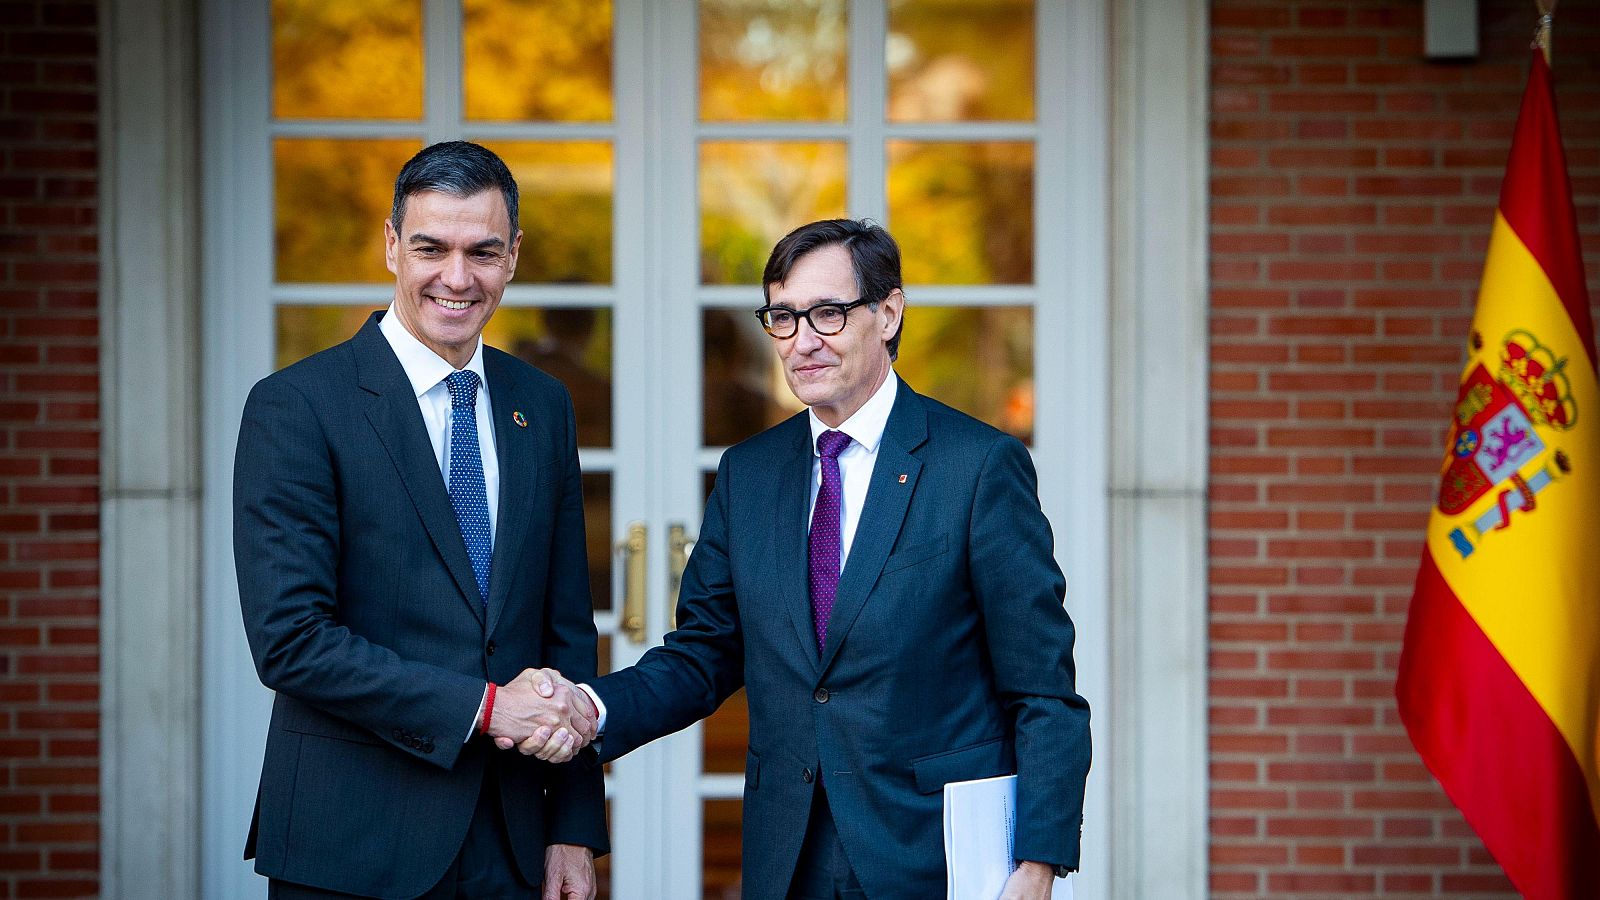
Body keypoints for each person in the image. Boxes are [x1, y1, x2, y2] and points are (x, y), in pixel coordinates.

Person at [525, 219, 1092, 899]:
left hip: (932, 859)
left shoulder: (977, 467)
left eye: (827, 312)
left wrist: (1037, 861)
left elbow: (1043, 690)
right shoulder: (749, 473)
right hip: (786, 858)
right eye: (783, 317)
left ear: (888, 313)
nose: (803, 341)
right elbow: (704, 653)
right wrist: (589, 707)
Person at [234, 141, 606, 899]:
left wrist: (573, 824)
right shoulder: (298, 406)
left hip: (511, 841)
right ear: (391, 245)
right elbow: (291, 641)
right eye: (432, 247)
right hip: (353, 840)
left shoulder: (542, 404)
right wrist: (488, 707)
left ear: (514, 257)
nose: (458, 277)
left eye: (484, 252)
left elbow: (565, 629)